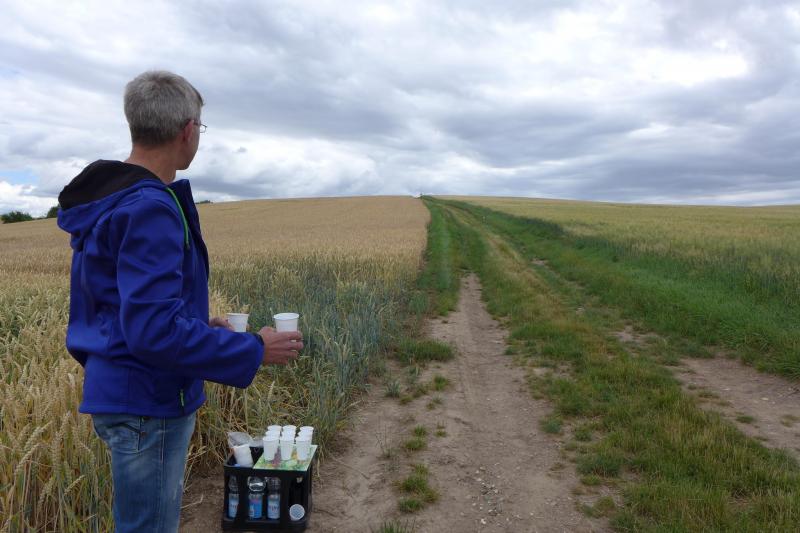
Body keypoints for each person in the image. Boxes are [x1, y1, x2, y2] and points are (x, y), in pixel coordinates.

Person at [56, 70, 303, 533]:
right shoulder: (149, 207)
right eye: (200, 128)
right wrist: (254, 348)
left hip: (123, 391)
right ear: (187, 130)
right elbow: (153, 333)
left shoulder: (112, 200)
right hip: (148, 400)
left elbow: (120, 309)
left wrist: (198, 324)